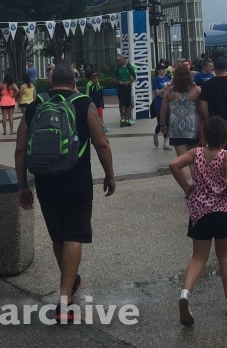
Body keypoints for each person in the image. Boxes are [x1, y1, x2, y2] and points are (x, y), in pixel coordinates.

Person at [16, 64, 116, 323]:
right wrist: (109, 174)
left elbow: (19, 149)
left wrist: (22, 186)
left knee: (59, 236)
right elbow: (101, 142)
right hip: (76, 180)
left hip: (45, 181)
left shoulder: (35, 105)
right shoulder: (84, 104)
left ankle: (69, 283)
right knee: (74, 235)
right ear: (74, 83)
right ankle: (64, 301)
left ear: (49, 83)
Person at [170, 116, 227, 325]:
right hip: (222, 211)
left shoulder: (197, 153)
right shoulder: (226, 155)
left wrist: (186, 187)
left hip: (199, 211)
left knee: (198, 257)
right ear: (225, 137)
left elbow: (174, 164)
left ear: (205, 135)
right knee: (225, 255)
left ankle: (185, 293)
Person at [162, 63, 202, 178]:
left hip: (175, 128)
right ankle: (196, 185)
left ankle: (188, 186)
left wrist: (162, 124)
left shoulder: (169, 90)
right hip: (192, 127)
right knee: (194, 158)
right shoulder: (196, 90)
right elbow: (202, 107)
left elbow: (163, 109)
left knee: (182, 158)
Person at [112, 56, 137, 127]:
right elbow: (112, 78)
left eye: (120, 60)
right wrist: (118, 82)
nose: (119, 61)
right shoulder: (117, 68)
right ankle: (122, 119)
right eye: (118, 60)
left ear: (124, 60)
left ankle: (127, 119)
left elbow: (134, 77)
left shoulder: (129, 67)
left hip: (127, 87)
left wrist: (129, 82)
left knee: (127, 104)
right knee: (121, 103)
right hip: (120, 87)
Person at [152, 65, 171, 148]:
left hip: (167, 104)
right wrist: (165, 88)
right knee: (160, 123)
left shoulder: (167, 78)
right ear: (158, 71)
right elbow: (157, 93)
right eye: (162, 69)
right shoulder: (155, 80)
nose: (163, 71)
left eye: (164, 69)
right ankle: (155, 134)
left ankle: (165, 143)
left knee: (167, 123)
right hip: (159, 105)